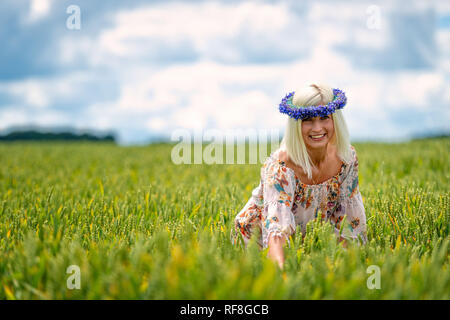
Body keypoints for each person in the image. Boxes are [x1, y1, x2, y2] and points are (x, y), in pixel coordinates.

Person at [232, 82, 367, 269]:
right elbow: (276, 230)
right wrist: (280, 273)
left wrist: (352, 267)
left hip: (306, 240)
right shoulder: (281, 167)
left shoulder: (346, 159)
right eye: (308, 120)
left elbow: (350, 221)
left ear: (335, 119)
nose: (317, 128)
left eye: (324, 118)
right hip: (256, 238)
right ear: (296, 124)